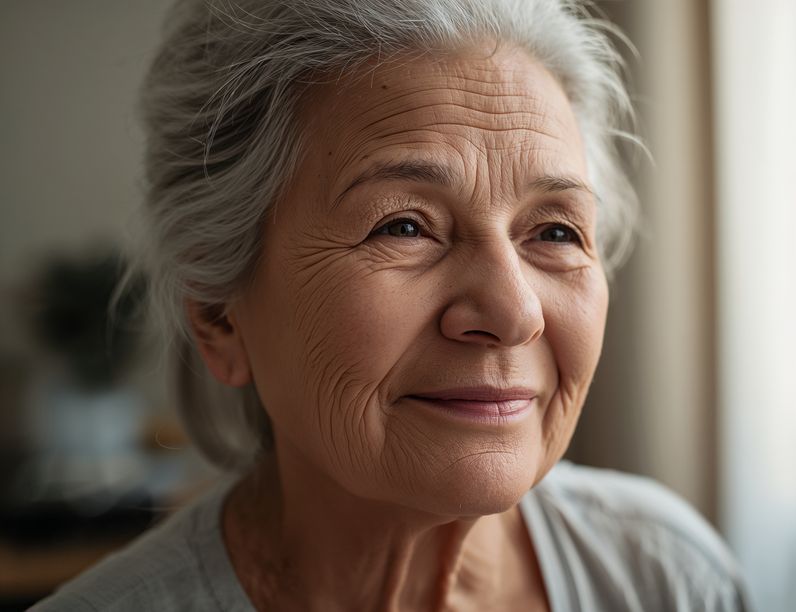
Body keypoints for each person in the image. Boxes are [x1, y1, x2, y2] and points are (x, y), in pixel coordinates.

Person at [34, 0, 750, 610]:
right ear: (220, 316)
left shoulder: (666, 576)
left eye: (555, 231)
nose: (514, 313)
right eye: (403, 227)